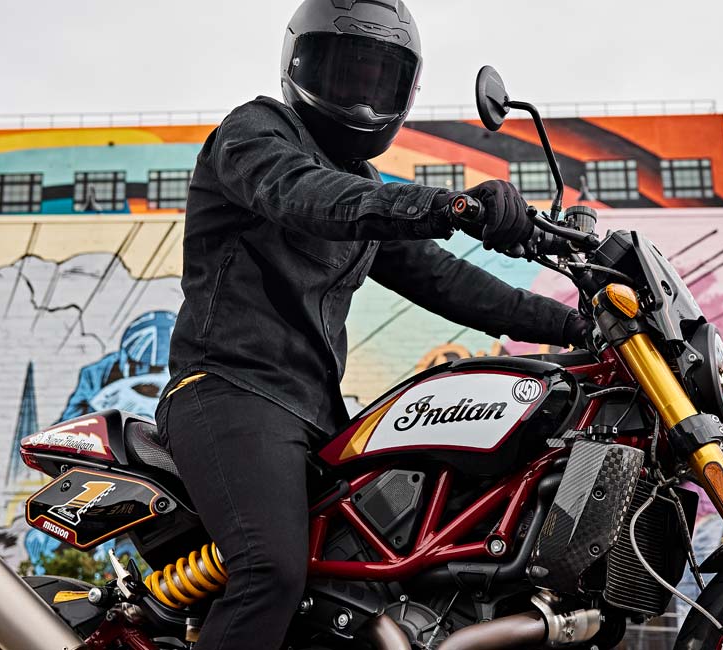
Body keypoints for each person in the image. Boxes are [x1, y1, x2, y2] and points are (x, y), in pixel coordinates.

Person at [156, 1, 587, 648]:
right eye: (345, 74)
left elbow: (444, 280)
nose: (360, 97)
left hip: (317, 418)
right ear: (300, 65)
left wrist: (578, 325)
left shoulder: (361, 184)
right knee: (270, 571)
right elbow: (305, 196)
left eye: (378, 81)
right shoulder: (256, 133)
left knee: (370, 585)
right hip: (229, 392)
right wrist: (453, 205)